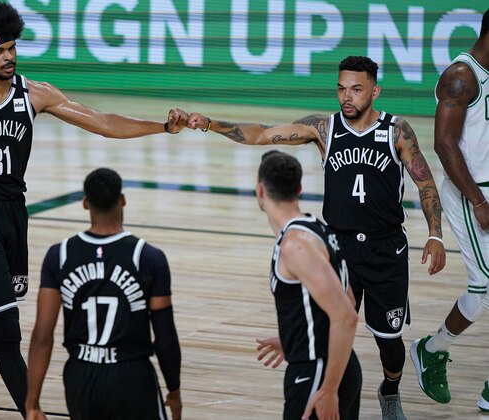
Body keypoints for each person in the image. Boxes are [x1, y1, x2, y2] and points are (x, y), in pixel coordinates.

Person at [0, 2, 185, 419]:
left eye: (14, 48)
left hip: (14, 213)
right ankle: (31, 412)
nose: (11, 57)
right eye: (1, 51)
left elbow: (103, 121)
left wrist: (162, 126)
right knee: (6, 325)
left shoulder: (34, 93)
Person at [183, 56, 447, 419]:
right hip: (338, 247)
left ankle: (389, 389)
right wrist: (210, 124)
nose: (346, 97)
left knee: (389, 342)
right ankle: (332, 390)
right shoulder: (324, 128)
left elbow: (424, 180)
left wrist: (435, 235)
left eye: (356, 89)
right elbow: (262, 133)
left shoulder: (396, 130)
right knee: (328, 327)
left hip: (387, 248)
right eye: (341, 89)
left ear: (375, 90)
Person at [25, 167, 182, 420]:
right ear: (122, 200)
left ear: (86, 203)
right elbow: (165, 337)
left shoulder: (60, 255)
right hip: (131, 375)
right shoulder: (148, 257)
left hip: (81, 375)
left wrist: (32, 402)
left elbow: (42, 336)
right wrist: (174, 390)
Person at [409, 8, 489, 412]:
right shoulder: (461, 77)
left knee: (486, 292)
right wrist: (478, 200)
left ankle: (436, 352)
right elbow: (444, 144)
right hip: (471, 192)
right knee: (488, 290)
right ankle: (432, 350)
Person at [254, 150, 361, 420]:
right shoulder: (317, 229)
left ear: (260, 191)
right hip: (338, 366)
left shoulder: (296, 245)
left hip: (318, 375)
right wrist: (298, 338)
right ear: (299, 188)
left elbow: (346, 316)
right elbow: (347, 299)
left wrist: (328, 389)